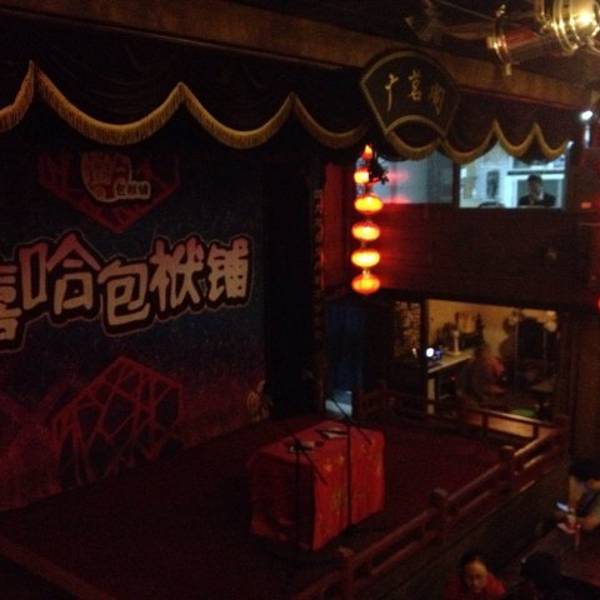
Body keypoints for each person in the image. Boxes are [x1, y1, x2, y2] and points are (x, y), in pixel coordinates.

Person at [562, 457, 600, 532]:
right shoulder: (591, 487)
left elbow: (589, 524)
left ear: (591, 482)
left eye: (576, 482)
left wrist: (563, 515)